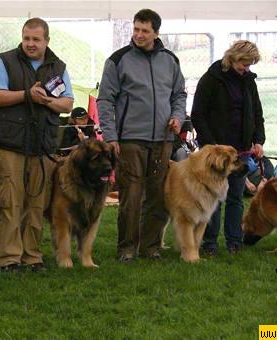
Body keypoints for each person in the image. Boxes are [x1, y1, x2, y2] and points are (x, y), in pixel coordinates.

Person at [97, 9, 186, 262]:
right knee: (131, 196)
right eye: (136, 29)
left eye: (145, 30)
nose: (139, 34)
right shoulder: (118, 60)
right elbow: (105, 100)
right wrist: (111, 136)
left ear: (156, 33)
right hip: (129, 140)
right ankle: (126, 248)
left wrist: (178, 117)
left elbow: (179, 94)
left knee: (157, 196)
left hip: (163, 140)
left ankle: (151, 247)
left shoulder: (170, 60)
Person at [0, 18, 74, 272]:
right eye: (26, 38)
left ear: (47, 40)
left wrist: (44, 100)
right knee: (10, 203)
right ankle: (8, 258)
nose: (30, 44)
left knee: (36, 204)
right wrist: (26, 95)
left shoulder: (58, 67)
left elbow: (67, 104)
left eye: (36, 39)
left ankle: (32, 256)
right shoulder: (6, 61)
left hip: (42, 146)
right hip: (10, 145)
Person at [191, 40, 265, 255]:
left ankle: (234, 241)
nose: (246, 68)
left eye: (250, 65)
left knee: (235, 197)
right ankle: (209, 243)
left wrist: (258, 140)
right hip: (215, 153)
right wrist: (211, 145)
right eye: (244, 63)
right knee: (213, 199)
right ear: (233, 57)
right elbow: (198, 114)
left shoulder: (249, 81)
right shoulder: (211, 79)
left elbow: (257, 114)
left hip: (240, 150)